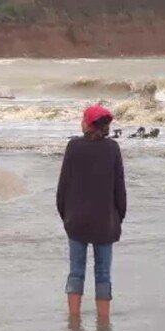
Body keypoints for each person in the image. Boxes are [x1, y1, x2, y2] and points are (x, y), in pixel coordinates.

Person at [57, 105, 127, 319]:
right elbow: (119, 190)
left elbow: (63, 189)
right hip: (105, 222)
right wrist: (118, 218)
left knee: (76, 271)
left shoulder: (73, 147)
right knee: (103, 274)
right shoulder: (113, 149)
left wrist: (66, 218)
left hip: (76, 220)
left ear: (87, 124)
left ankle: (74, 321)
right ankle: (103, 324)